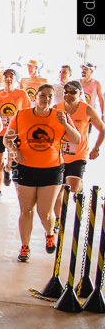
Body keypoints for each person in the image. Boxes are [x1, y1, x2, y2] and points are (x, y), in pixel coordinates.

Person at [7, 84, 80, 261]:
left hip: (52, 169)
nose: (46, 99)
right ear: (36, 97)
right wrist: (15, 151)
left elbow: (77, 139)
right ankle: (25, 247)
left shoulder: (61, 116)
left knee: (44, 211)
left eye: (49, 96)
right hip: (26, 168)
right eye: (42, 96)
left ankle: (49, 233)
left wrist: (65, 124)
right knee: (26, 210)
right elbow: (7, 138)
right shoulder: (22, 115)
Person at [54, 80, 105, 225]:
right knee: (59, 190)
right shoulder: (57, 108)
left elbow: (103, 129)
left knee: (73, 186)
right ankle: (58, 220)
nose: (68, 95)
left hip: (78, 155)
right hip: (59, 156)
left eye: (73, 92)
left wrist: (96, 148)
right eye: (66, 92)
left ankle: (80, 188)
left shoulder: (87, 109)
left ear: (80, 94)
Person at [0, 69, 30, 202]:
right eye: (6, 77)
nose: (8, 79)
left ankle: (8, 169)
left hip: (14, 133)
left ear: (16, 79)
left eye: (11, 77)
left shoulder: (21, 94)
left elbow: (28, 113)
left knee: (13, 162)